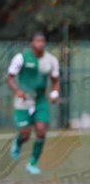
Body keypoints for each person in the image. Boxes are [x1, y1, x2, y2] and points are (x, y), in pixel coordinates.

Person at [6, 31, 60, 174]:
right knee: (25, 134)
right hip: (23, 100)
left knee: (41, 132)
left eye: (43, 40)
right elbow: (9, 77)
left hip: (41, 100)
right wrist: (18, 91)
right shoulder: (21, 58)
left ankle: (32, 164)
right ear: (31, 43)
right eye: (37, 41)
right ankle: (18, 143)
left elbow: (55, 82)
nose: (40, 43)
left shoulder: (51, 60)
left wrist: (55, 94)